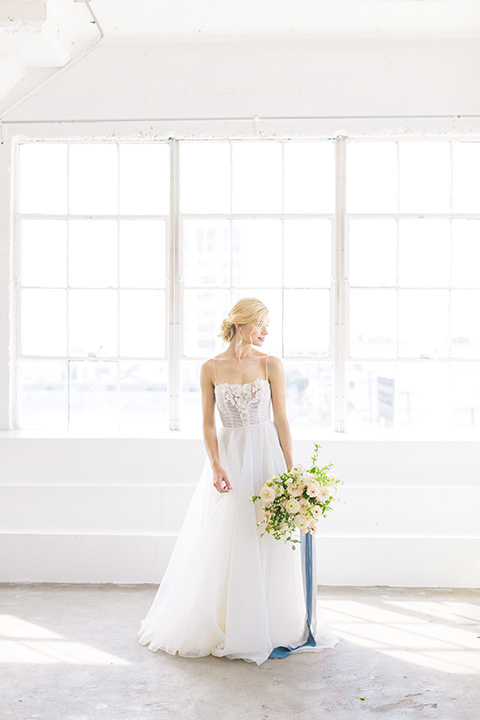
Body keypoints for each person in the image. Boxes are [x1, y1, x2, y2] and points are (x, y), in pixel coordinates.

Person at [138, 298, 339, 664]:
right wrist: (216, 465)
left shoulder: (271, 364)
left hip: (266, 457)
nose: (265, 331)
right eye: (261, 323)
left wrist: (291, 469)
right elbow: (207, 423)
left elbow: (281, 421)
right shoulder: (210, 368)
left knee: (267, 535)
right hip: (231, 457)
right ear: (243, 324)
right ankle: (230, 622)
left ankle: (270, 621)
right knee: (232, 536)